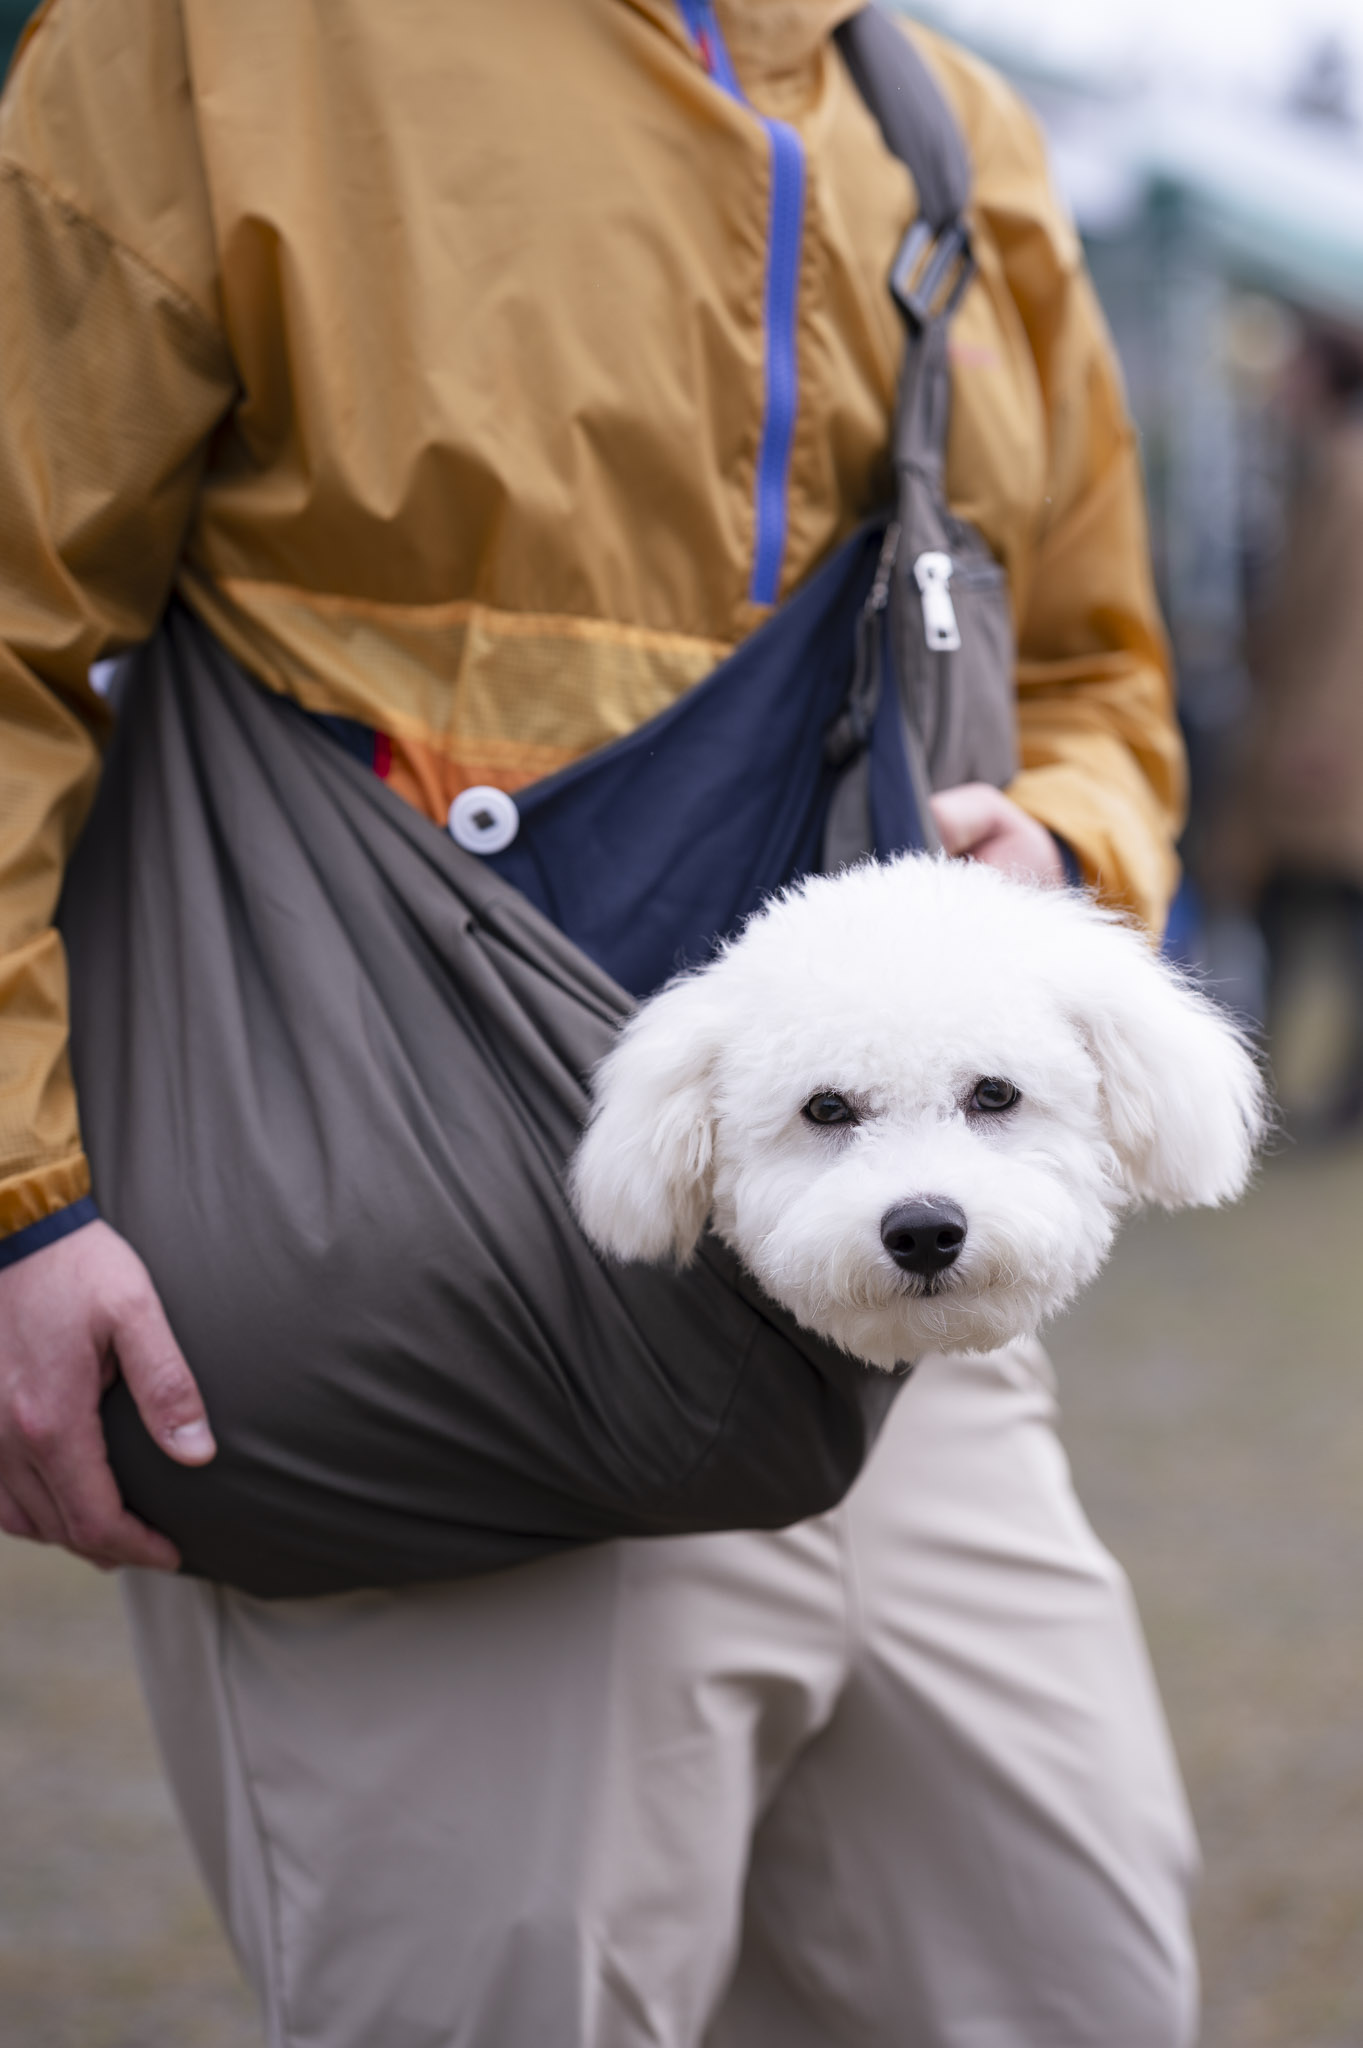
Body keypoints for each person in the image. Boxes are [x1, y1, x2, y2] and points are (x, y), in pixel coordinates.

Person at [0, 3, 1195, 2043]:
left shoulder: (945, 120)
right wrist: (18, 1191)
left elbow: (1092, 658)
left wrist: (1064, 846)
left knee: (1076, 1984)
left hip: (905, 1320)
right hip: (421, 1264)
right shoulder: (213, 39)